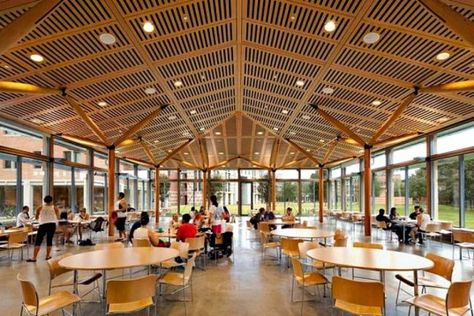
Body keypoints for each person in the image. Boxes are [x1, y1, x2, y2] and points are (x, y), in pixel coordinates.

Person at [27, 195, 59, 262]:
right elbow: (57, 217)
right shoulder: (55, 208)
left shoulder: (40, 208)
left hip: (43, 224)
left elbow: (36, 217)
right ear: (51, 201)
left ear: (44, 201)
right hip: (52, 224)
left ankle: (34, 257)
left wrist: (42, 218)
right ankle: (47, 256)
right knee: (49, 240)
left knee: (38, 240)